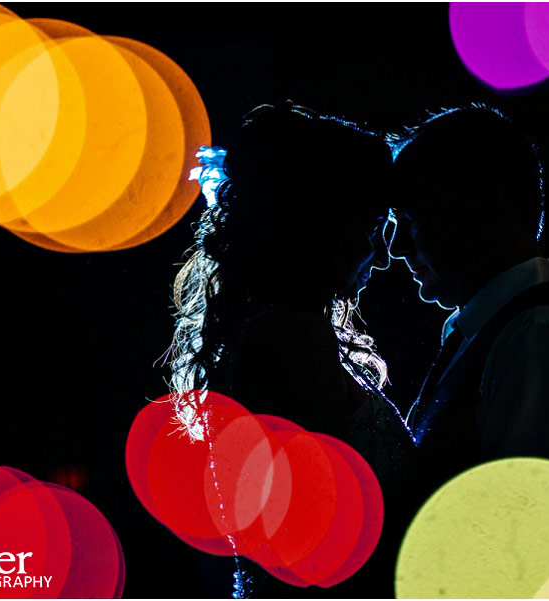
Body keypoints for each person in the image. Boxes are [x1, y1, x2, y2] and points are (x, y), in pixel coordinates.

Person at [165, 102, 413, 598]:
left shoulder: (274, 329)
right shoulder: (289, 341)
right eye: (370, 228)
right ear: (320, 228)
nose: (383, 255)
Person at [389, 104, 549, 497]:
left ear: (484, 203)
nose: (397, 248)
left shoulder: (543, 340)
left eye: (412, 219)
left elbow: (535, 529)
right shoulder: (506, 334)